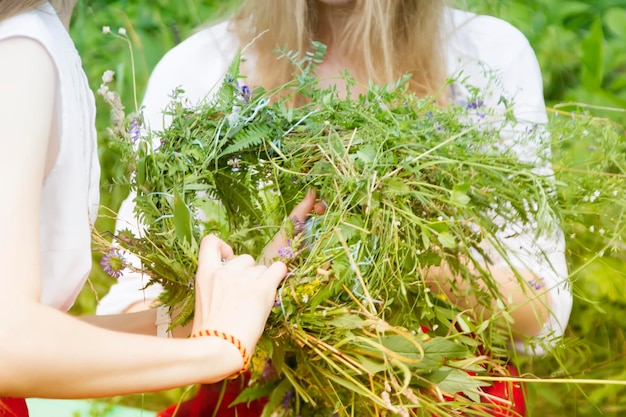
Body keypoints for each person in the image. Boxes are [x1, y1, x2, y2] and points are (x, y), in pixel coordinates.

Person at [97, 0, 573, 415]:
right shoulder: (202, 68)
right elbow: (130, 323)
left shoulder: (486, 55)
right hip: (264, 397)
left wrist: (398, 244)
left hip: (439, 391)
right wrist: (262, 284)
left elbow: (542, 312)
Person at [0, 2, 293, 416]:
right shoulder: (23, 45)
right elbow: (8, 340)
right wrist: (216, 351)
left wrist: (183, 321)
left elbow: (29, 328)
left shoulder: (31, 34)